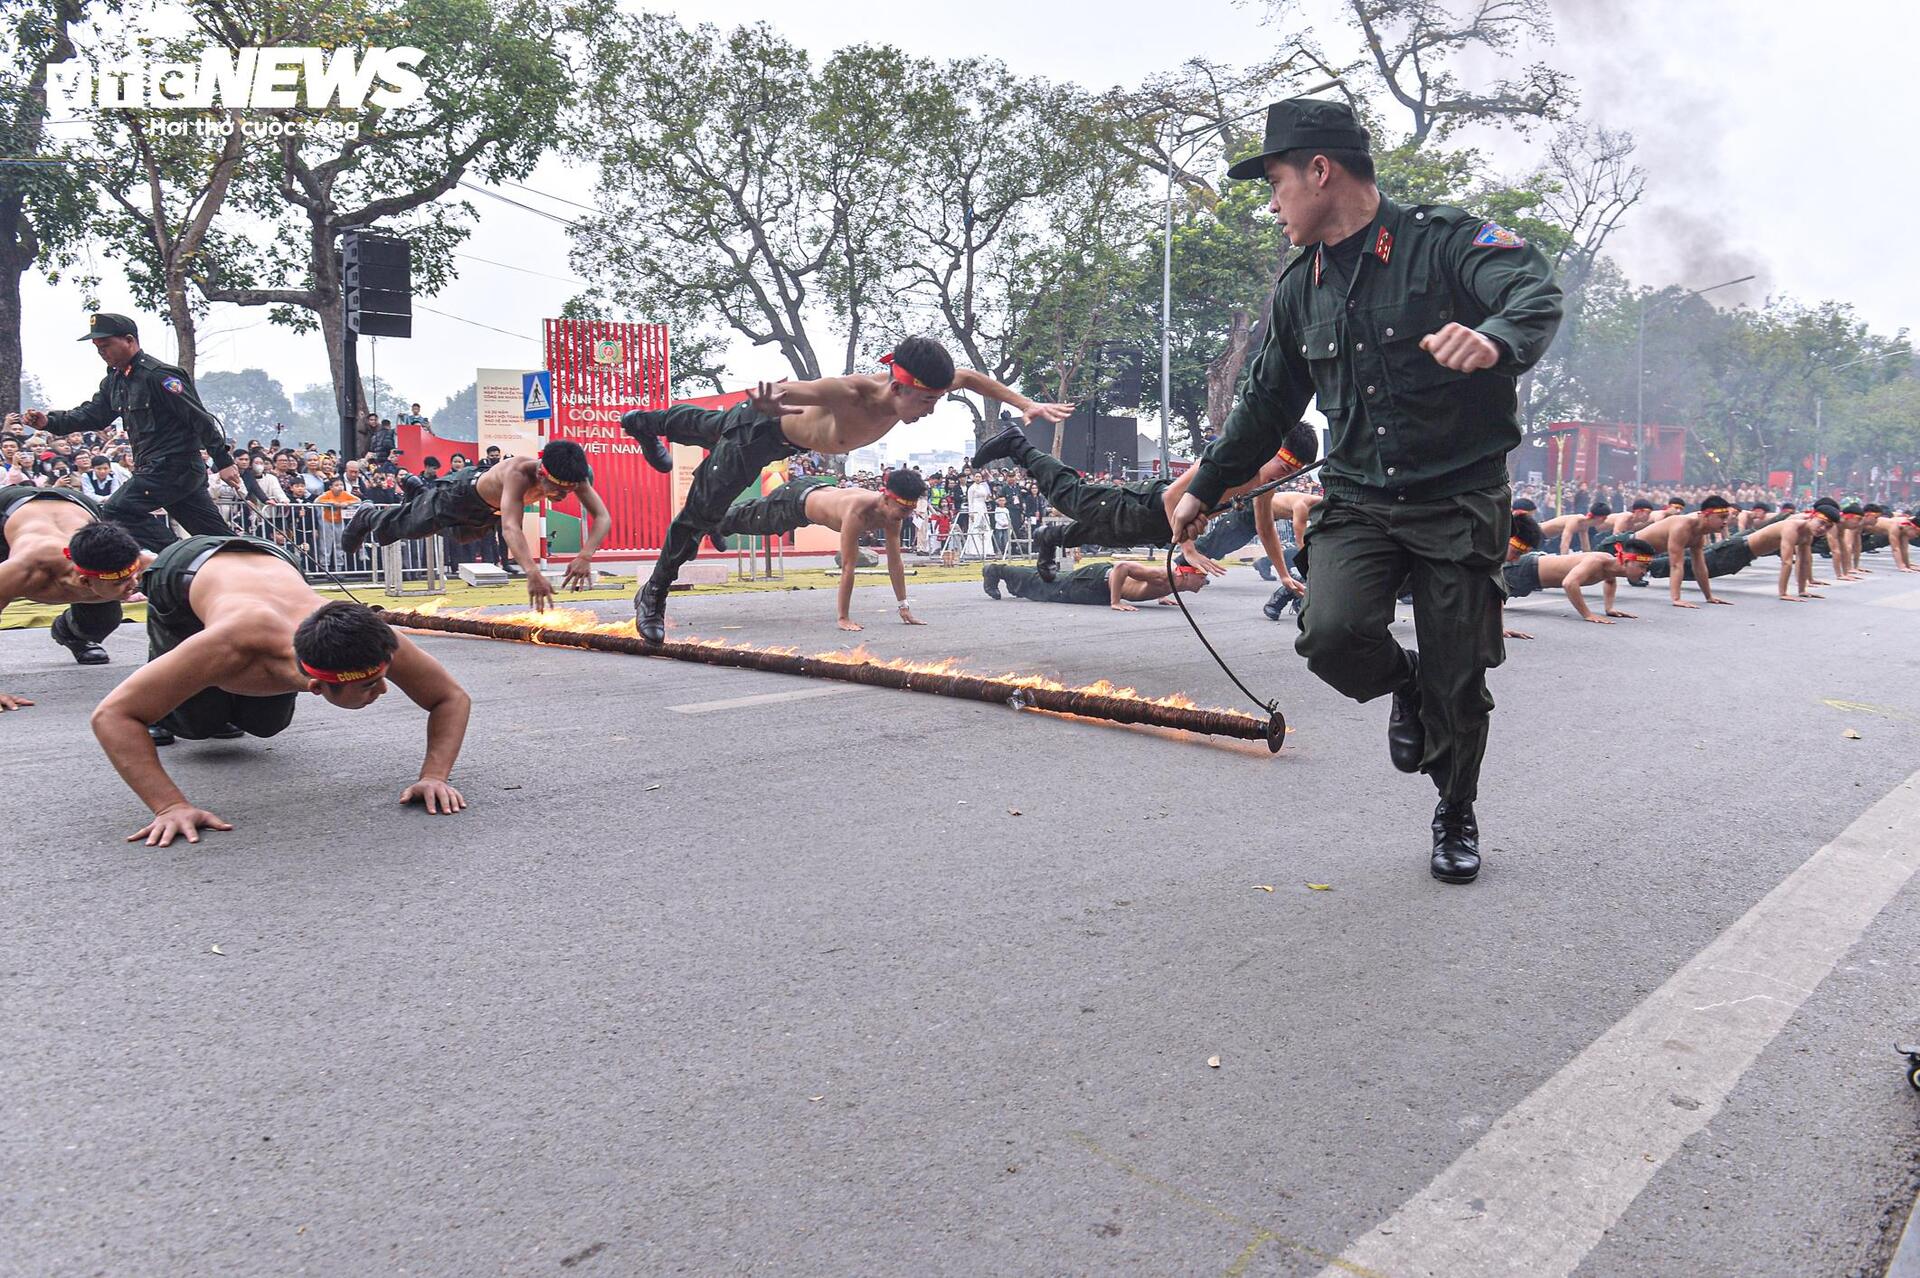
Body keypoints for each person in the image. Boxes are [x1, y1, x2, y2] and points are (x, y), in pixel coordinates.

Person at [1165, 96, 1564, 885]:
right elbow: (1263, 406)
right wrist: (1204, 486)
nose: (1272, 202)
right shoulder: (1296, 291)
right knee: (1332, 633)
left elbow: (1535, 294)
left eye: (1276, 181)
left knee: (1462, 681)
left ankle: (1455, 809)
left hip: (1458, 500)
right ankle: (1403, 685)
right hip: (1360, 499)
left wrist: (1492, 338)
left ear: (1321, 170)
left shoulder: (1444, 244)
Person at [619, 337, 1071, 642]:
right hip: (761, 429)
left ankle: (643, 423)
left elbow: (971, 377)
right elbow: (805, 387)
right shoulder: (851, 393)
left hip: (784, 436)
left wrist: (1025, 402)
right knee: (701, 506)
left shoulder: (926, 383)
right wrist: (771, 396)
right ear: (898, 387)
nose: (932, 409)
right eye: (926, 401)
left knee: (707, 426)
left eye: (938, 399)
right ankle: (654, 590)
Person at [89, 537, 472, 846]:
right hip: (183, 571)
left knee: (265, 724)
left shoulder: (372, 636)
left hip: (271, 559)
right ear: (317, 687)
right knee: (197, 723)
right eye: (370, 685)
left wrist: (434, 776)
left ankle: (219, 701)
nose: (385, 689)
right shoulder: (227, 644)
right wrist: (169, 806)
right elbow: (113, 716)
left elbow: (450, 696)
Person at [970, 420, 1319, 579]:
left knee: (1102, 535)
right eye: (1285, 464)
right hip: (1147, 504)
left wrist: (1284, 574)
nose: (1285, 475)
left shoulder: (1266, 483)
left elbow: (1266, 528)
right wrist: (1189, 549)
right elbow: (1172, 497)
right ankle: (1018, 444)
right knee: (1070, 497)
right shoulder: (1234, 459)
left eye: (1295, 471)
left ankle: (1051, 538)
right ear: (1274, 448)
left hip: (1156, 527)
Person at [20, 313, 240, 551]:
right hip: (158, 469)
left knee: (118, 510)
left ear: (129, 340)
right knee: (217, 538)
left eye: (106, 345)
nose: (101, 352)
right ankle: (249, 563)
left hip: (173, 466)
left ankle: (176, 560)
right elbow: (93, 414)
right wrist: (48, 422)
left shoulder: (159, 375)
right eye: (97, 347)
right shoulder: (115, 380)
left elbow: (200, 419)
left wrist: (223, 461)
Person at [343, 441, 609, 610]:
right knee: (410, 528)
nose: (563, 497)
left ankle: (418, 493)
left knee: (460, 537)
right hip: (460, 495)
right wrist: (531, 572)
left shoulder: (575, 477)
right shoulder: (518, 474)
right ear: (542, 473)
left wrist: (585, 555)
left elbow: (602, 517)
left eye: (570, 491)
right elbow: (511, 528)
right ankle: (367, 515)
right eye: (557, 490)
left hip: (486, 513)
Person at [714, 469, 930, 630]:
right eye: (903, 510)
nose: (906, 516)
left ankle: (714, 522)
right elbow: (848, 566)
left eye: (909, 511)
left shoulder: (894, 516)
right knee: (750, 521)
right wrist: (843, 618)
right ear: (885, 498)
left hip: (813, 489)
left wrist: (904, 606)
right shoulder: (857, 512)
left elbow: (895, 563)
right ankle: (706, 518)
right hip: (794, 501)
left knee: (751, 513)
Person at [0, 487, 149, 707]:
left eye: (134, 576)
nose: (134, 585)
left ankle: (68, 632)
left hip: (75, 503)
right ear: (84, 582)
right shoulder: (24, 571)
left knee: (103, 621)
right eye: (120, 582)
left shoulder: (141, 563)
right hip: (9, 509)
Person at [1502, 535, 1655, 628]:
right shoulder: (1596, 561)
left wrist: (1609, 608)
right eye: (1642, 566)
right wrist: (1587, 614)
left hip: (1531, 576)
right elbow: (1569, 583)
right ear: (1626, 561)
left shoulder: (1611, 567)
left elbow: (1610, 581)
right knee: (1484, 595)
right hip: (1524, 568)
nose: (1644, 572)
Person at [1614, 495, 1736, 608]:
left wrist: (1709, 596)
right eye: (1722, 517)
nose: (1725, 522)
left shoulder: (1699, 534)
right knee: (1598, 568)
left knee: (1606, 573)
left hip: (1639, 555)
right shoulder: (1683, 526)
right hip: (1623, 544)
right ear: (1706, 515)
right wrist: (1676, 599)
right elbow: (1676, 564)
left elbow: (1699, 566)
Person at [982, 558, 1210, 610]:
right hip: (1095, 583)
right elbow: (1122, 567)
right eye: (1202, 576)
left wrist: (1161, 596)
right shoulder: (1165, 574)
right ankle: (996, 570)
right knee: (1048, 588)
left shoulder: (1172, 580)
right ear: (1187, 574)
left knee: (1052, 581)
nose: (1204, 582)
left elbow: (1154, 580)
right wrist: (1116, 601)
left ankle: (1009, 578)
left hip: (1097, 582)